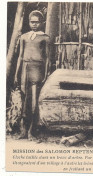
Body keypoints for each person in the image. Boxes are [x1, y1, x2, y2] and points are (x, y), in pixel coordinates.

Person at [14, 10, 50, 140]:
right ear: (29, 22)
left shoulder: (45, 37)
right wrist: (17, 73)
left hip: (37, 69)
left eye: (37, 22)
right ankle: (23, 131)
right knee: (24, 100)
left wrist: (45, 74)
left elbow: (47, 58)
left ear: (41, 23)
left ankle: (32, 132)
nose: (34, 24)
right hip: (25, 68)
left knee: (34, 102)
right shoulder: (24, 37)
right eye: (32, 22)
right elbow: (20, 56)